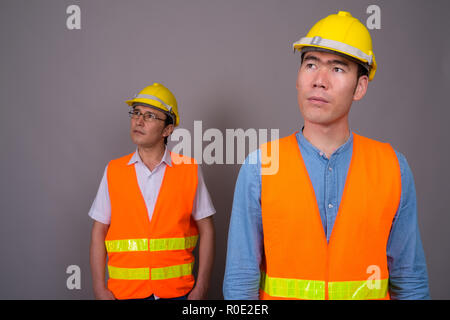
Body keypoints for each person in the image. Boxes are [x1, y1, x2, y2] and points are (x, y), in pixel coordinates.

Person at [223, 11, 430, 300]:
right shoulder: (260, 166)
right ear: (298, 78)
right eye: (310, 64)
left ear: (360, 87)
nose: (319, 80)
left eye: (337, 68)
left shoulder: (394, 167)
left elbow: (409, 279)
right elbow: (240, 280)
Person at [89, 83, 216, 300]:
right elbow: (98, 232)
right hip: (124, 294)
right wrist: (100, 289)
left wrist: (201, 287)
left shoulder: (190, 170)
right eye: (136, 113)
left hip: (178, 294)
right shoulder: (114, 170)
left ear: (168, 129)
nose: (139, 120)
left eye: (149, 116)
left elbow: (207, 231)